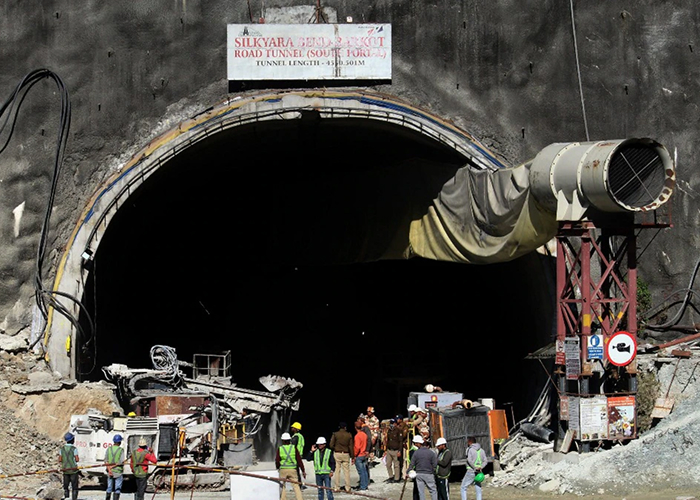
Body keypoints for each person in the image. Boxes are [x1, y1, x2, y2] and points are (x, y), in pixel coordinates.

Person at [276, 432, 306, 500]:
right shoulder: (294, 448)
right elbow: (299, 460)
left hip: (283, 469)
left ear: (282, 440)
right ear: (290, 440)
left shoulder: (280, 449)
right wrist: (303, 470)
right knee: (296, 486)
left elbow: (277, 460)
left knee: (282, 486)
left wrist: (278, 467)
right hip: (293, 470)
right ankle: (300, 499)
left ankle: (283, 499)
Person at [406, 435, 437, 500]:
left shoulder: (416, 453)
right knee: (433, 491)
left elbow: (412, 463)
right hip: (429, 474)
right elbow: (435, 465)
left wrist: (408, 472)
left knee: (421, 492)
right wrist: (433, 472)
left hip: (419, 474)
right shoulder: (431, 453)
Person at [329, 421, 354, 493]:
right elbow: (350, 446)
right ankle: (348, 488)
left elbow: (331, 445)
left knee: (337, 470)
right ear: (345, 427)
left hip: (337, 453)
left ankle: (337, 487)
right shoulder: (349, 435)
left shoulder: (335, 434)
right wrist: (352, 456)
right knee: (346, 471)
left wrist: (335, 448)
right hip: (346, 454)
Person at [59, 432, 80, 500]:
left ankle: (66, 497)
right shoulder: (74, 449)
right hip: (73, 470)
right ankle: (74, 498)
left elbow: (60, 459)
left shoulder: (62, 449)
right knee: (74, 487)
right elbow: (77, 459)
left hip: (65, 470)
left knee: (66, 486)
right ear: (72, 440)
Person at [105, 434, 125, 500]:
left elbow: (106, 461)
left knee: (109, 487)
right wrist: (113, 466)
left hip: (109, 472)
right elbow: (121, 462)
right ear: (119, 442)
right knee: (117, 489)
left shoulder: (109, 449)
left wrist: (109, 469)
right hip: (118, 471)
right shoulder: (121, 450)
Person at [351, 419, 369, 491]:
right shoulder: (364, 435)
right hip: (364, 454)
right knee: (364, 471)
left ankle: (363, 486)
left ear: (355, 428)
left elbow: (357, 447)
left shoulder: (357, 436)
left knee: (361, 472)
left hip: (359, 455)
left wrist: (354, 455)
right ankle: (365, 484)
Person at [384, 418, 403, 483]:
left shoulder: (398, 430)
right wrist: (386, 449)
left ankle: (396, 478)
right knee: (388, 464)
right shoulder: (389, 430)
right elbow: (388, 440)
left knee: (396, 465)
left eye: (392, 423)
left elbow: (400, 441)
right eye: (390, 423)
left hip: (396, 450)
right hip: (389, 449)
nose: (391, 425)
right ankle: (391, 476)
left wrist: (400, 451)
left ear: (395, 423)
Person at [290, 421, 306, 488]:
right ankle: (299, 484)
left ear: (296, 429)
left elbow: (293, 446)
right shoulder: (301, 436)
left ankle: (298, 485)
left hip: (296, 455)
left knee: (295, 471)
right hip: (299, 454)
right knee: (297, 470)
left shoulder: (296, 437)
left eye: (293, 427)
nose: (291, 428)